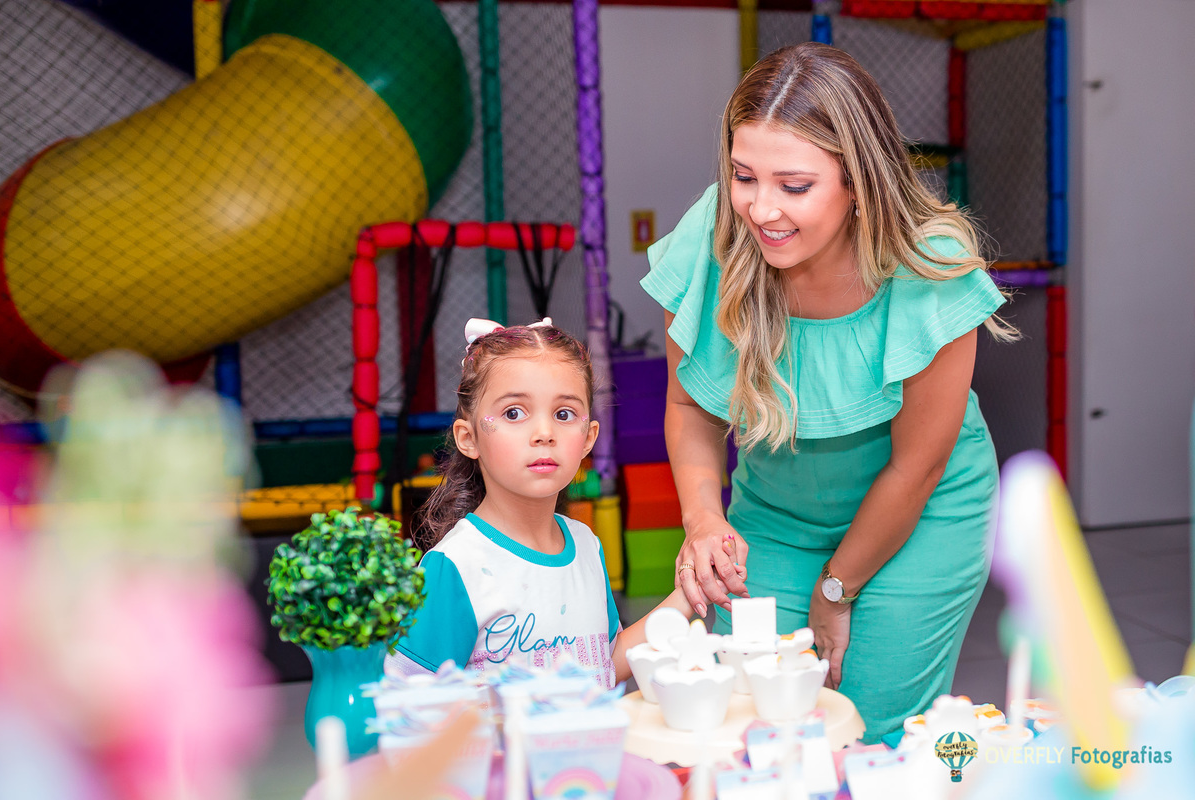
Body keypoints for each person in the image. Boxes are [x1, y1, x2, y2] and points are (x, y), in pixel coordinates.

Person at [641, 42, 1016, 742]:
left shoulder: (928, 269)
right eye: (743, 176)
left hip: (921, 518)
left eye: (794, 185)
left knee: (867, 730)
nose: (761, 209)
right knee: (752, 728)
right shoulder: (714, 233)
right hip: (776, 515)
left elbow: (919, 466)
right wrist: (702, 521)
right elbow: (689, 404)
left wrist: (836, 588)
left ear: (857, 179)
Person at [385, 318, 693, 688]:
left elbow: (604, 663)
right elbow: (408, 702)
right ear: (469, 438)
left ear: (588, 437)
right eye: (513, 413)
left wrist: (691, 594)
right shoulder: (456, 566)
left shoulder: (586, 545)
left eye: (564, 414)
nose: (545, 433)